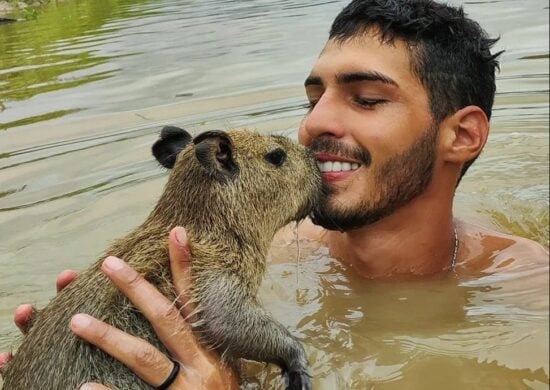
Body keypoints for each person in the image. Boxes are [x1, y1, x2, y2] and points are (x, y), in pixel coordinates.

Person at [1, 0, 547, 388]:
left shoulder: (528, 292)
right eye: (314, 97)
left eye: (366, 98)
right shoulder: (277, 251)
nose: (314, 124)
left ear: (464, 135)